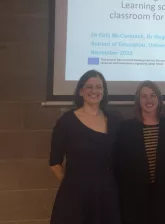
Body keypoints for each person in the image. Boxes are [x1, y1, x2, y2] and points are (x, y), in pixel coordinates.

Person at [49, 70, 122, 224]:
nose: (94, 91)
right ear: (81, 91)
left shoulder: (115, 120)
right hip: (76, 200)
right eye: (89, 87)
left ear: (103, 92)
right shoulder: (67, 121)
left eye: (99, 87)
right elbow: (55, 163)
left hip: (107, 197)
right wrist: (73, 186)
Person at [113, 80, 165, 224]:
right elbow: (119, 168)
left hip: (163, 201)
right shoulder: (126, 128)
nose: (148, 100)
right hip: (133, 202)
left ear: (159, 99)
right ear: (138, 100)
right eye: (143, 96)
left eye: (153, 95)